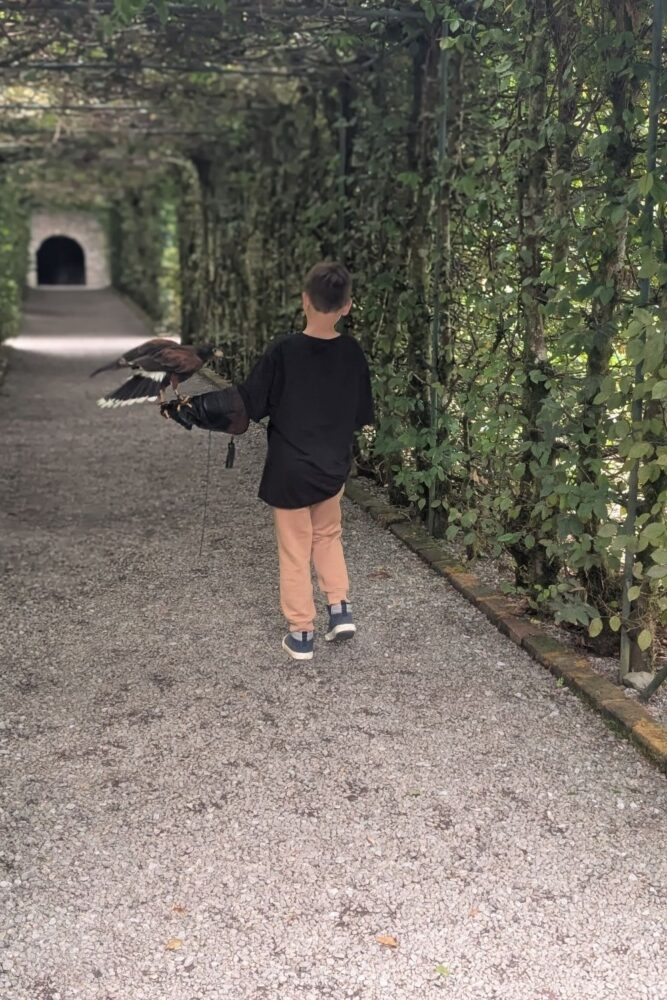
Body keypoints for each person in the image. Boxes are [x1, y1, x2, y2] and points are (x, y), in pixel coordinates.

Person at [161, 262, 374, 661]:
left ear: (303, 301)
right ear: (347, 306)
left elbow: (247, 401)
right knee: (328, 535)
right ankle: (340, 608)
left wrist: (194, 409)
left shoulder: (284, 350)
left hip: (290, 470)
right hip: (333, 467)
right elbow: (361, 414)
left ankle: (302, 632)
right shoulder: (352, 352)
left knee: (295, 547)